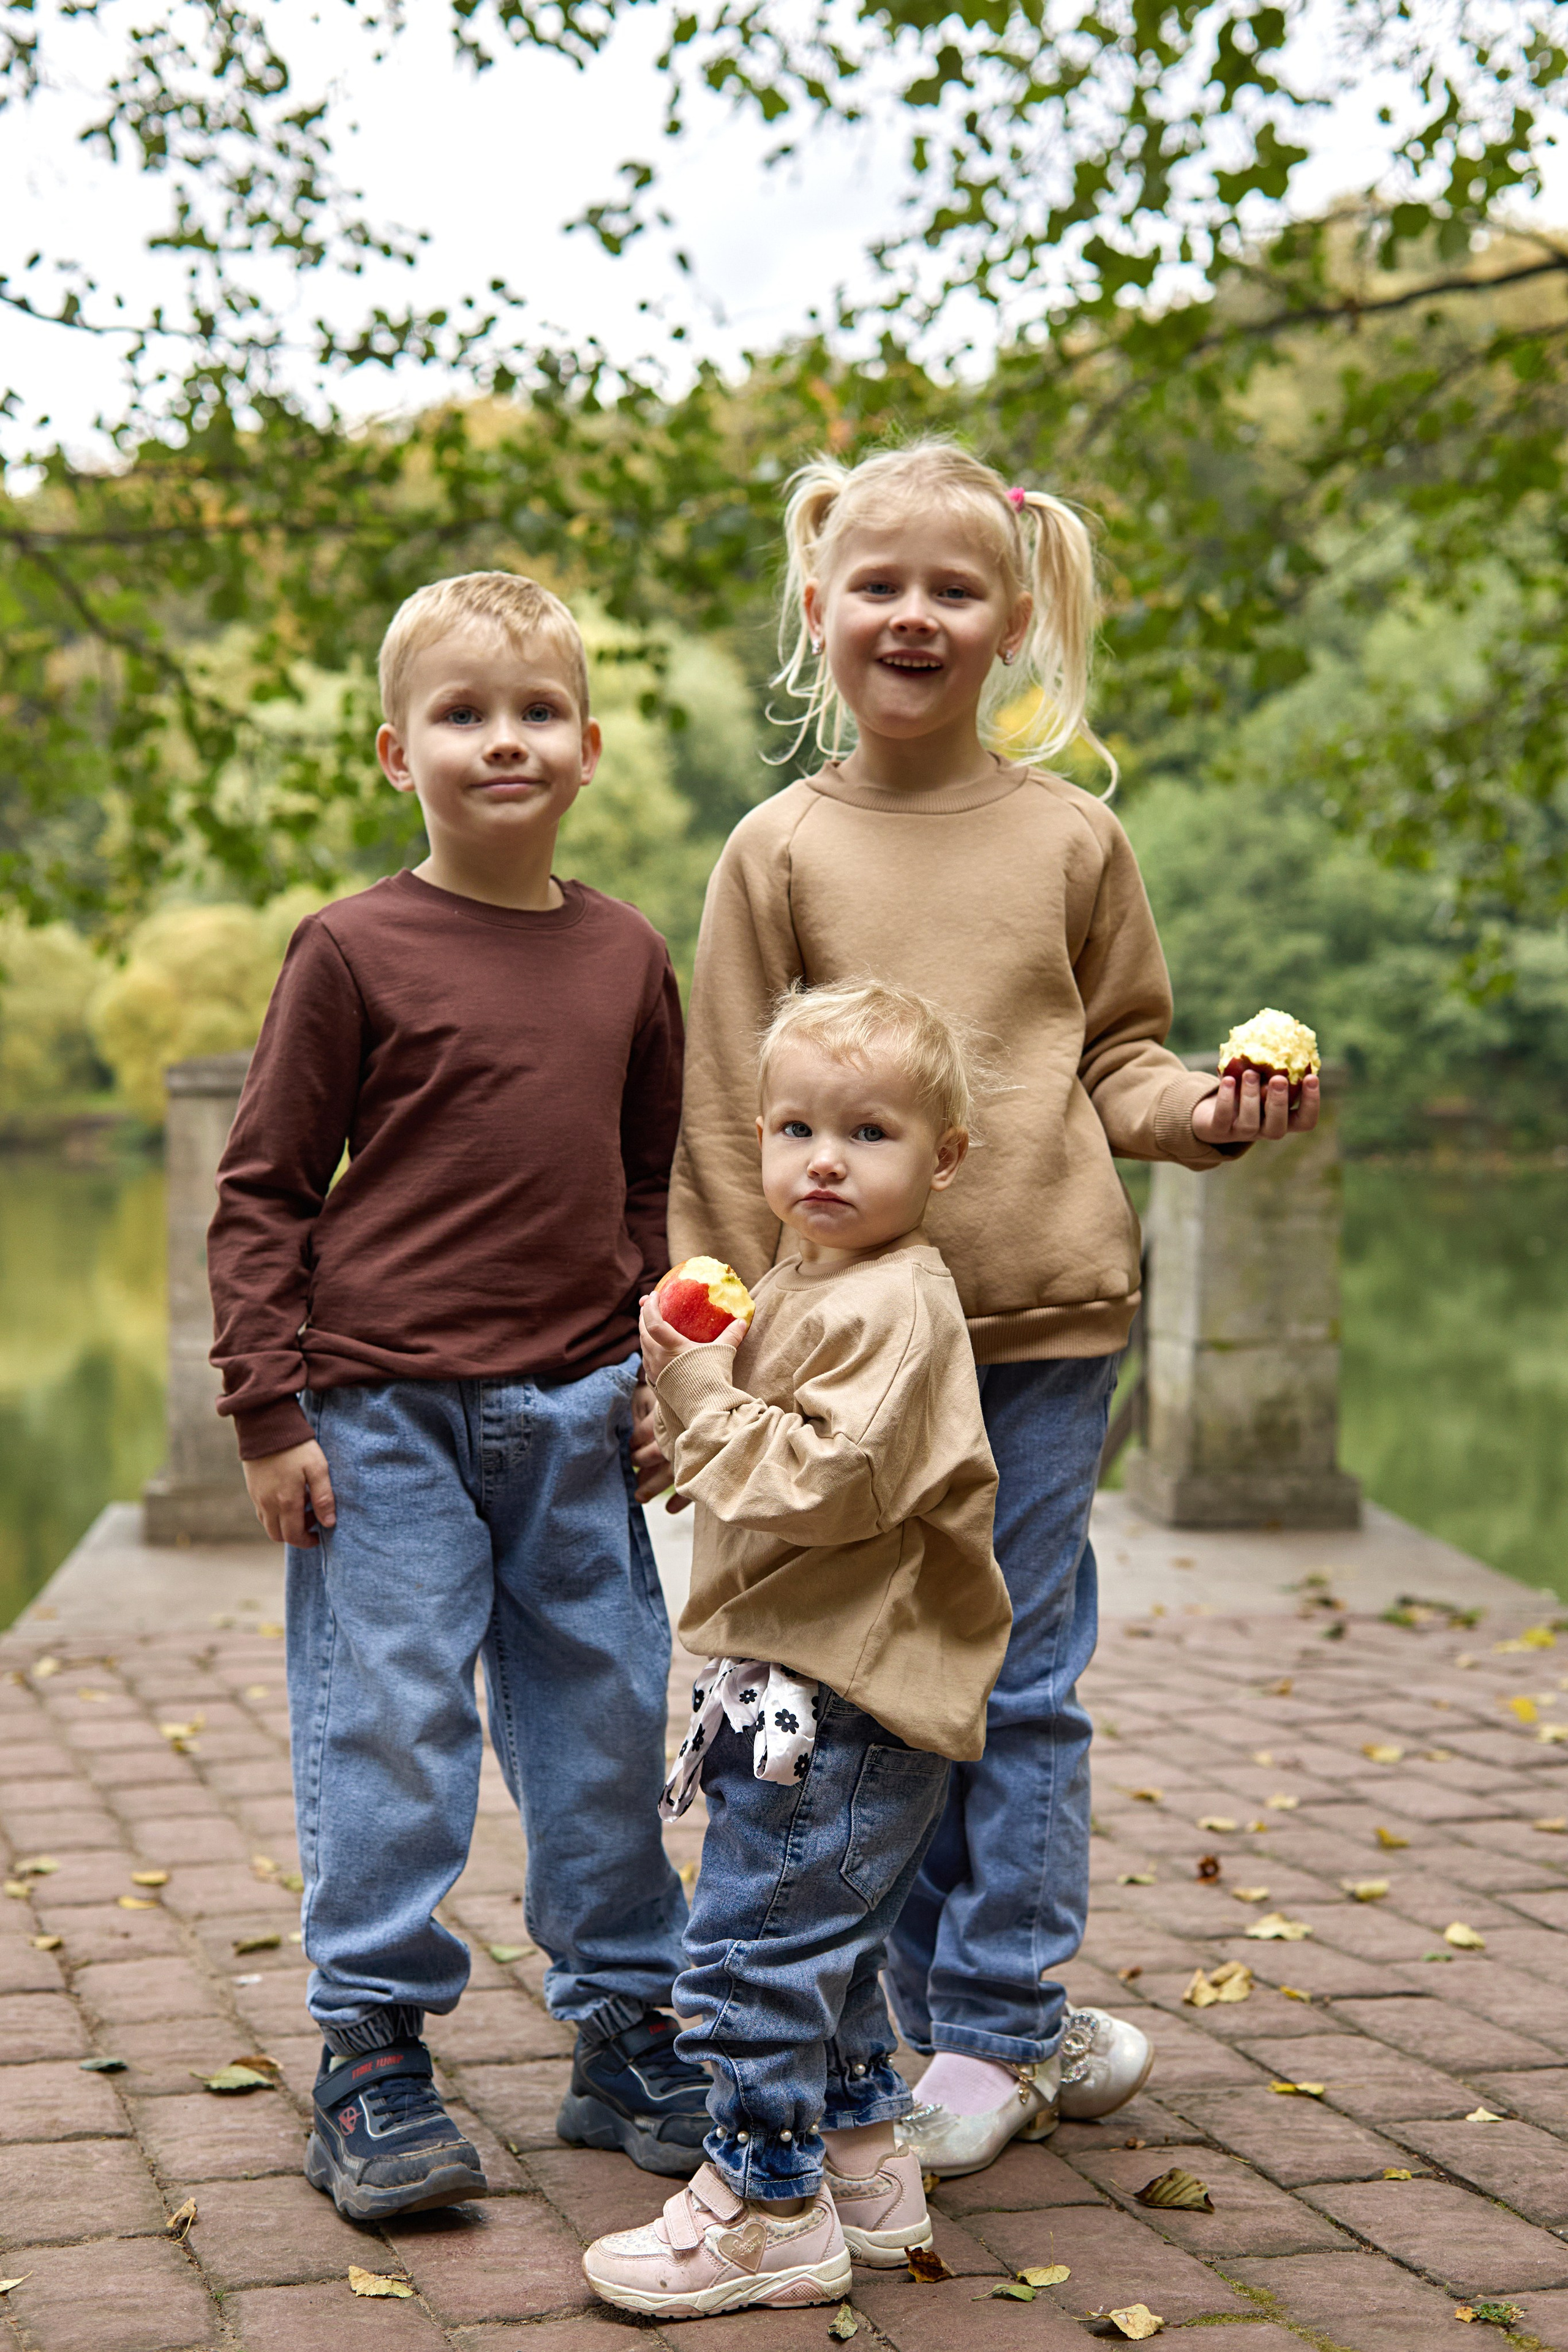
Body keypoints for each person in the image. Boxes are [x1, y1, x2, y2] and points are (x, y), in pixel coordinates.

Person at [662, 440, 1320, 2179]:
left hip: (1037, 1332)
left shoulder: (1072, 839)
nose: (914, 615)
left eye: (954, 590)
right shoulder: (774, 849)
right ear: (819, 606)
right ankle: (918, 2012)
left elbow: (1119, 1059)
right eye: (878, 584)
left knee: (1016, 1684)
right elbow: (736, 1104)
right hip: (850, 1368)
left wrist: (1208, 1114)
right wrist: (706, 1344)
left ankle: (1006, 2026)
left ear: (1014, 621)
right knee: (870, 1686)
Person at [206, 571, 715, 2220]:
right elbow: (266, 1189)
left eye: (537, 711)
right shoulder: (351, 947)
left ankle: (628, 2028)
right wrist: (269, 1413)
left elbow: (653, 1194)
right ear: (395, 751)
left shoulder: (633, 954)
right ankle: (369, 2048)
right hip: (380, 1420)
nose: (504, 739)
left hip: (576, 1412)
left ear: (586, 747)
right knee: (393, 1728)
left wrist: (657, 1368)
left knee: (602, 1721)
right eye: (463, 712)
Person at [585, 978, 1012, 2318]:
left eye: (869, 1133)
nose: (822, 1159)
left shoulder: (891, 1302)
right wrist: (699, 1393)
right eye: (793, 1129)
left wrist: (698, 1398)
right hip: (812, 1676)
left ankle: (764, 2207)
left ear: (943, 1158)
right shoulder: (812, 1279)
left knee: (750, 1947)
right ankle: (863, 2163)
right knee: (830, 1943)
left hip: (838, 1693)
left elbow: (830, 1483)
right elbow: (763, 1456)